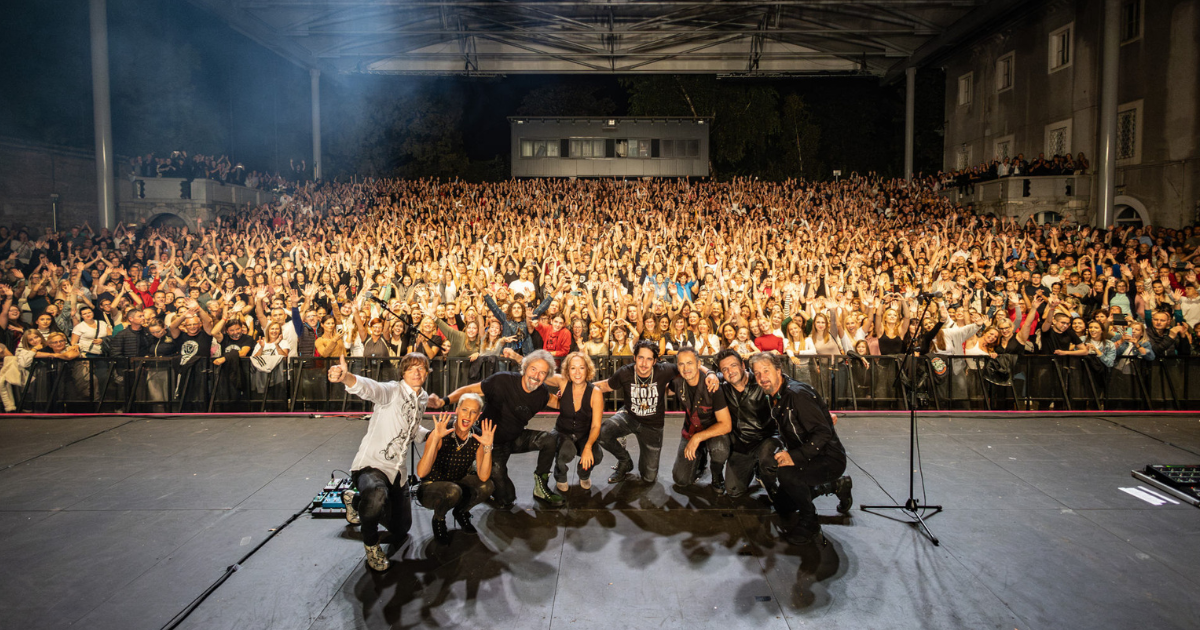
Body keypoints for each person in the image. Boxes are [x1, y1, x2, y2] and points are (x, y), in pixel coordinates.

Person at [329, 352, 446, 572]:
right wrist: (346, 378)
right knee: (376, 494)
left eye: (421, 368)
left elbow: (412, 428)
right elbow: (369, 387)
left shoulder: (422, 398)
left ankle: (354, 501)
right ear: (403, 372)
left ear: (428, 372)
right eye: (411, 368)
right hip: (372, 465)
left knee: (401, 529)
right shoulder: (392, 390)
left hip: (397, 471)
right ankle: (371, 545)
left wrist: (431, 435)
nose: (416, 372)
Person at [748, 352, 846, 545]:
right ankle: (835, 486)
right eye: (757, 374)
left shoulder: (796, 394)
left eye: (766, 371)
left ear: (778, 370)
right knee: (783, 506)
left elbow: (823, 433)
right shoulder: (775, 394)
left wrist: (795, 456)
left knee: (787, 474)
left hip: (827, 458)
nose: (761, 378)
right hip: (808, 456)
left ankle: (810, 521)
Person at [446, 349, 563, 509]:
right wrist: (443, 401)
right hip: (491, 443)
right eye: (533, 369)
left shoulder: (542, 392)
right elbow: (468, 390)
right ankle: (476, 466)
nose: (536, 376)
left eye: (542, 373)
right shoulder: (502, 381)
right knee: (507, 498)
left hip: (515, 438)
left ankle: (540, 487)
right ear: (525, 367)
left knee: (548, 440)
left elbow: (559, 403)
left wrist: (569, 394)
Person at [593, 339, 718, 484]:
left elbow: (690, 366)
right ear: (634, 358)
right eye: (640, 358)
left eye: (649, 359)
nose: (644, 363)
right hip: (629, 416)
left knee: (649, 477)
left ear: (654, 361)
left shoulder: (664, 370)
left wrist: (710, 373)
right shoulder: (625, 373)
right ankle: (624, 461)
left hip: (652, 426)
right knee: (603, 432)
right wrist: (579, 387)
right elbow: (605, 386)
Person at [414, 393, 495, 544]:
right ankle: (438, 520)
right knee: (453, 491)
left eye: (473, 412)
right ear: (457, 410)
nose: (468, 415)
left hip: (457, 483)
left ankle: (461, 512)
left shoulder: (477, 436)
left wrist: (488, 447)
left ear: (478, 416)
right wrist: (435, 439)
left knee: (487, 486)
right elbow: (421, 472)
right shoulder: (442, 431)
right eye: (465, 410)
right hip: (431, 488)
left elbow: (483, 477)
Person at [670, 347, 732, 492]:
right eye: (681, 364)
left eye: (690, 363)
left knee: (720, 449)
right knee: (681, 480)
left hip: (713, 431)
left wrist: (698, 438)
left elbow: (726, 425)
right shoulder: (677, 383)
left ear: (699, 364)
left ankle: (717, 474)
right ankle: (700, 459)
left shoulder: (713, 385)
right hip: (691, 430)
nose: (686, 368)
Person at [550, 352, 604, 492]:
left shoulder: (595, 392)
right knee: (566, 451)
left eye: (581, 367)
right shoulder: (562, 382)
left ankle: (584, 473)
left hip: (584, 433)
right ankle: (560, 474)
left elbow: (596, 425)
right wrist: (518, 358)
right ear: (568, 371)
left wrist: (588, 447)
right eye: (573, 368)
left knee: (596, 455)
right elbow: (540, 373)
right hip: (562, 432)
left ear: (588, 369)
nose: (577, 372)